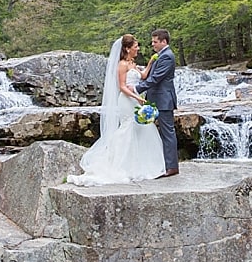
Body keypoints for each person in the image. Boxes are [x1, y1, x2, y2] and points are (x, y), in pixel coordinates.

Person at [66, 34, 166, 186]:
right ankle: (119, 163)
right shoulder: (122, 65)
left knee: (142, 129)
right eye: (135, 46)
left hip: (136, 99)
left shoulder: (132, 63)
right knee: (128, 128)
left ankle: (140, 164)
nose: (138, 49)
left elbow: (144, 76)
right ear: (127, 48)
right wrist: (137, 97)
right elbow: (122, 87)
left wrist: (151, 62)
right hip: (127, 101)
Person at [136, 28, 179, 177]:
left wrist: (136, 88)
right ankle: (154, 163)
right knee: (146, 131)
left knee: (167, 133)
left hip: (163, 100)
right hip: (155, 100)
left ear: (164, 41)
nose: (152, 44)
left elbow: (156, 78)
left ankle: (172, 167)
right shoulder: (160, 55)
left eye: (155, 41)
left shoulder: (167, 56)